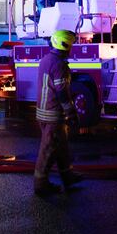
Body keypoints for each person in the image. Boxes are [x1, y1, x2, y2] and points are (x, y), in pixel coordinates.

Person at [33, 29, 83, 195]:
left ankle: (67, 176)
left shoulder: (47, 59)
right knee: (48, 149)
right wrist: (71, 113)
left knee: (61, 146)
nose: (71, 49)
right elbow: (62, 92)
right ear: (66, 46)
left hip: (44, 112)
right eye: (71, 46)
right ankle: (40, 184)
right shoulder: (59, 64)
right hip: (53, 114)